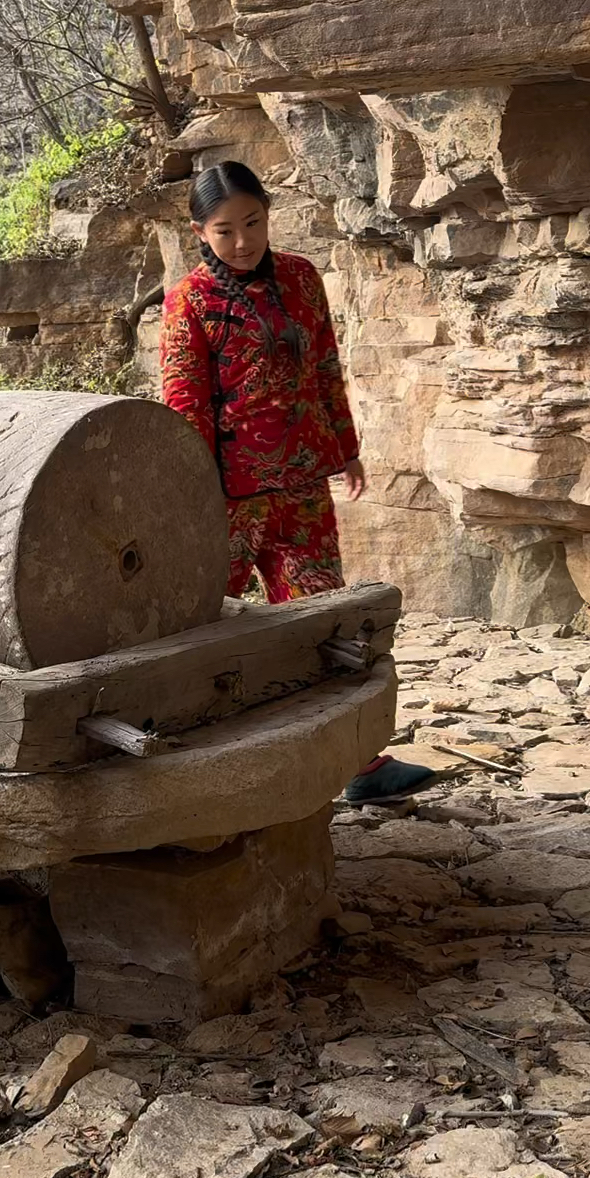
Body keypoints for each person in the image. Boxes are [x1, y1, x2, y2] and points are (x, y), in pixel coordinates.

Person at [160, 159, 433, 805]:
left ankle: (358, 764)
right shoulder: (189, 302)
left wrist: (345, 449)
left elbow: (326, 371)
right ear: (199, 231)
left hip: (303, 493)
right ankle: (183, 769)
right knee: (195, 632)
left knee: (325, 627)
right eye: (225, 230)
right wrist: (192, 494)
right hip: (225, 503)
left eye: (253, 223)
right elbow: (184, 404)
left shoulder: (303, 280)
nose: (243, 241)